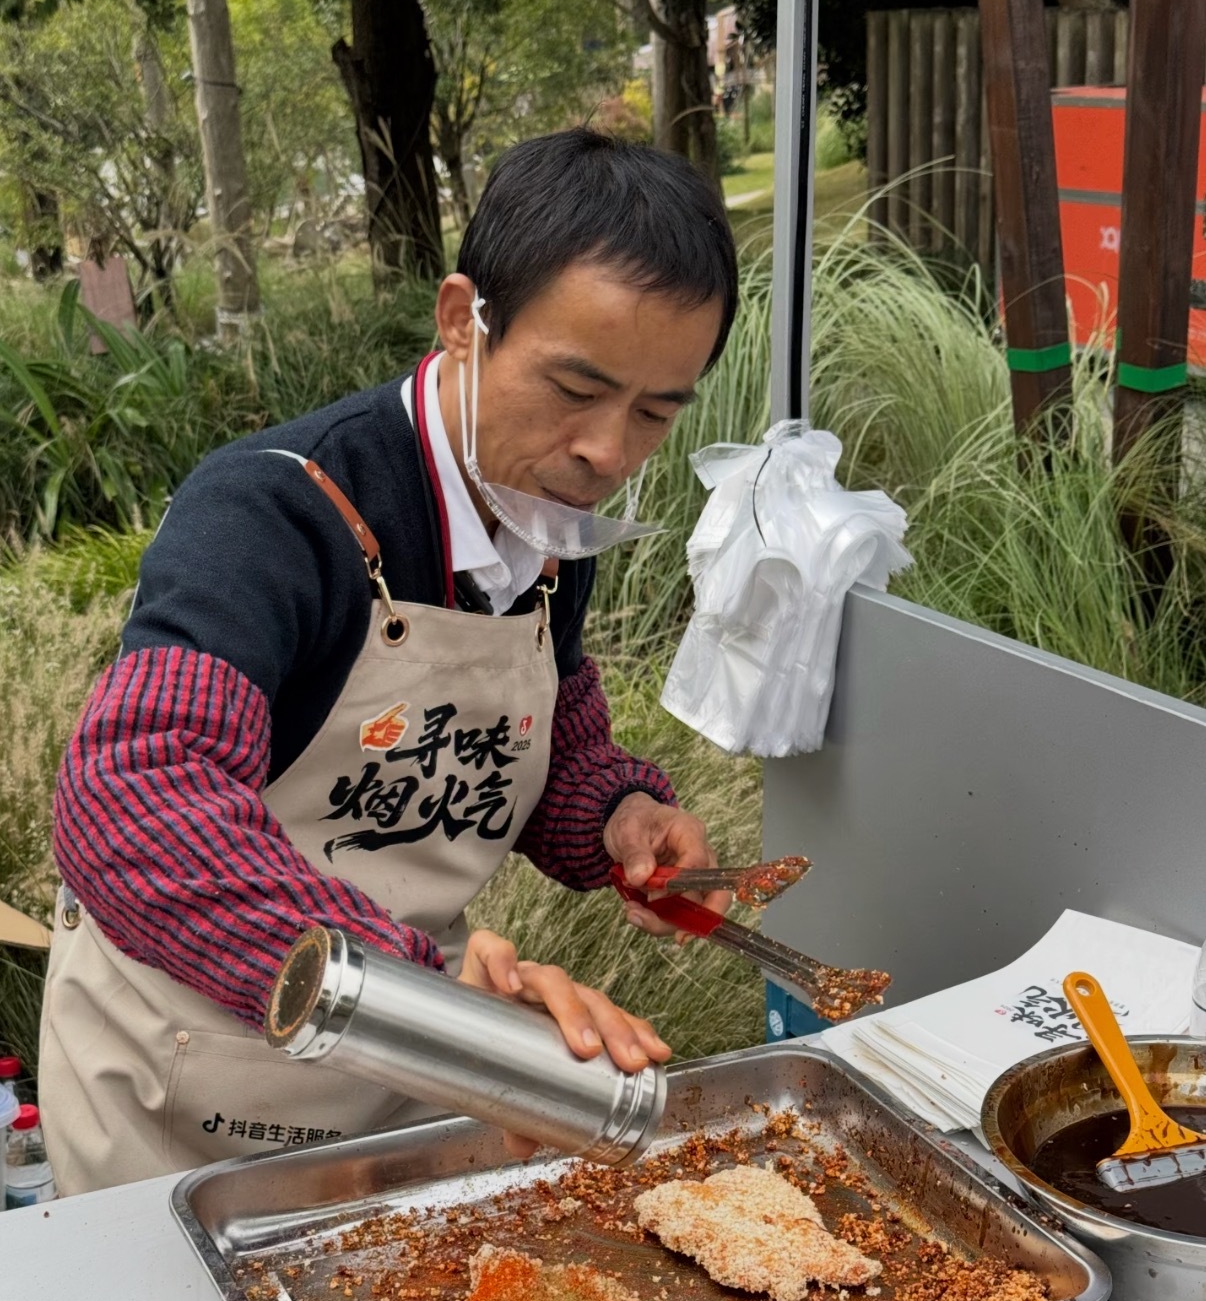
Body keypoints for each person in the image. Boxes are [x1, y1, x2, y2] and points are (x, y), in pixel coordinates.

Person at [41, 127, 739, 1194]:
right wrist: (431, 993)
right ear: (464, 321)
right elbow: (131, 796)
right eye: (575, 387)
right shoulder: (273, 516)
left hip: (405, 1071)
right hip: (189, 1075)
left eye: (655, 412)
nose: (607, 452)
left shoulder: (543, 517)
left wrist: (613, 816)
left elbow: (528, 732)